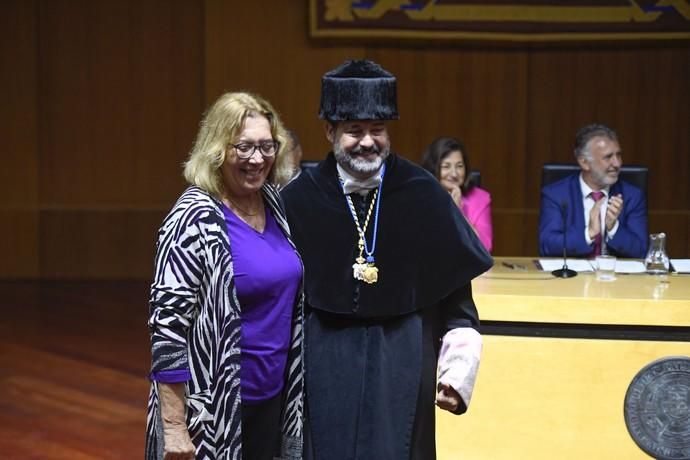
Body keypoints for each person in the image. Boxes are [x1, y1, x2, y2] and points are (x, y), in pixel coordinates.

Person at [281, 59, 493, 460]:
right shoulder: (298, 199)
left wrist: (456, 371)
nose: (367, 142)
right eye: (354, 131)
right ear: (330, 131)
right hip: (323, 361)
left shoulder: (421, 192)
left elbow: (458, 300)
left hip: (403, 357)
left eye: (377, 130)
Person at [145, 92, 304, 460]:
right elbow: (167, 327)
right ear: (218, 149)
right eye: (244, 147)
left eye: (267, 146)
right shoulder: (193, 217)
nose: (257, 158)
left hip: (273, 399)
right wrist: (173, 426)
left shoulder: (274, 203)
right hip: (212, 411)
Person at [539, 123, 647, 259]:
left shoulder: (632, 196)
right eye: (608, 157)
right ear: (584, 162)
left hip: (615, 277)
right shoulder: (556, 194)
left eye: (618, 155)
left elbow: (641, 251)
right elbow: (546, 246)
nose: (617, 163)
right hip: (572, 277)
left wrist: (613, 227)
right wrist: (588, 233)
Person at [421, 137, 493, 253]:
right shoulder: (418, 195)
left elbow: (484, 248)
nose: (454, 173)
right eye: (446, 166)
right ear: (433, 168)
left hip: (468, 269)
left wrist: (458, 212)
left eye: (459, 166)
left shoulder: (481, 198)